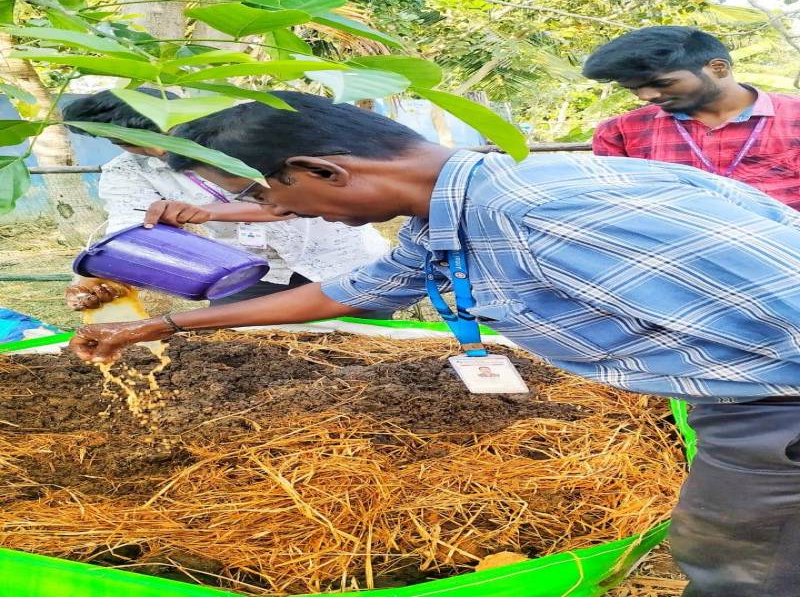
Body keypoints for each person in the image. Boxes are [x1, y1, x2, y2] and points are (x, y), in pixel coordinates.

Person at [70, 91, 800, 597]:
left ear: (325, 171)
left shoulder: (539, 215)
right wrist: (163, 325)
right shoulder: (466, 207)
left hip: (776, 409)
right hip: (743, 398)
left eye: (268, 193)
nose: (277, 210)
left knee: (742, 567)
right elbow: (353, 291)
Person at [60, 89, 391, 312]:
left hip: (341, 261)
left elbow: (300, 204)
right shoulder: (128, 172)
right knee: (247, 354)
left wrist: (208, 212)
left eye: (163, 134)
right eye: (132, 143)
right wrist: (95, 279)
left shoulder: (245, 140)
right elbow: (130, 231)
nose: (158, 150)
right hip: (249, 274)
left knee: (365, 346)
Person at [583, 26, 800, 208]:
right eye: (633, 88)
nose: (645, 96)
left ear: (718, 68)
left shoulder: (794, 115)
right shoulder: (618, 132)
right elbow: (622, 203)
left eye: (663, 83)